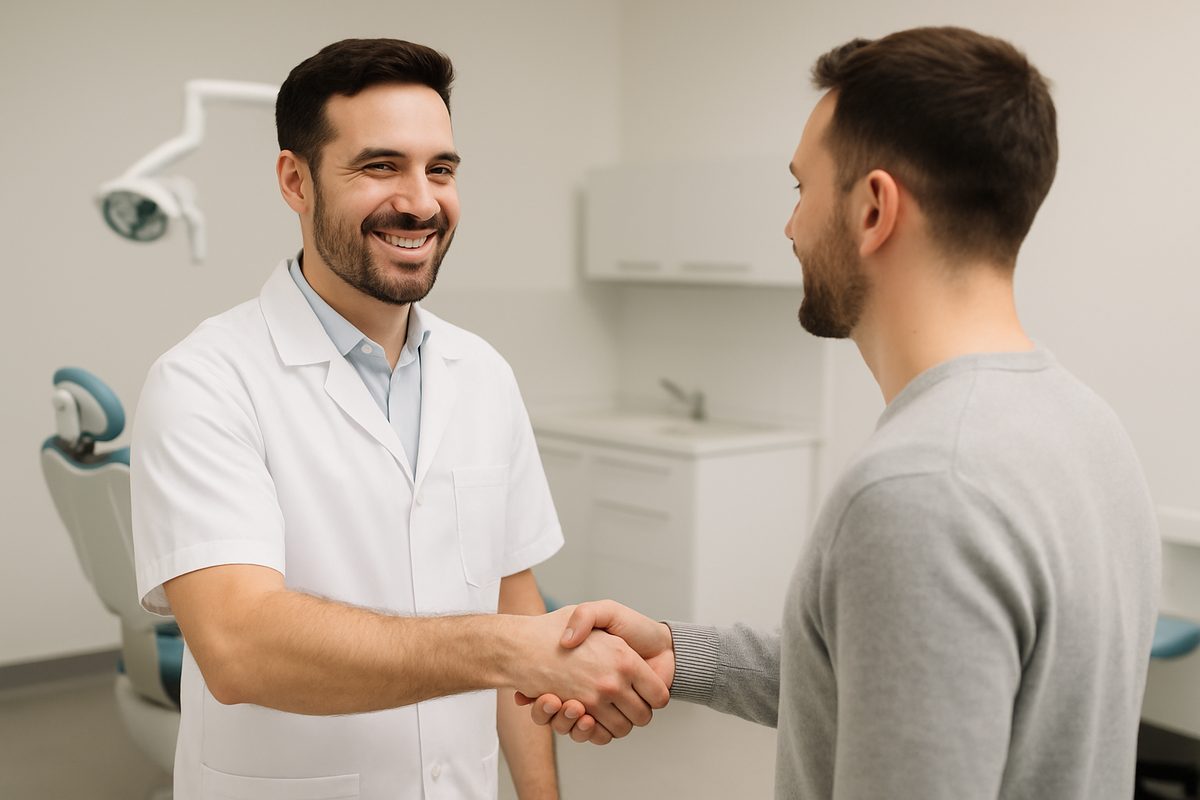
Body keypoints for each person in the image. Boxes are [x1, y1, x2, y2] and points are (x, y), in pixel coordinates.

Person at [524, 26, 1161, 799]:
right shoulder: (1087, 426)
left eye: (802, 188)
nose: (790, 227)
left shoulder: (921, 488)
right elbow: (898, 682)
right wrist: (680, 653)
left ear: (872, 209)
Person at [130, 38, 669, 800]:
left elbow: (514, 601)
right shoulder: (204, 381)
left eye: (440, 169)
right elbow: (238, 647)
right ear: (296, 180)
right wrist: (514, 650)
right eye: (380, 166)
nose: (420, 201)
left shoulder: (482, 374)